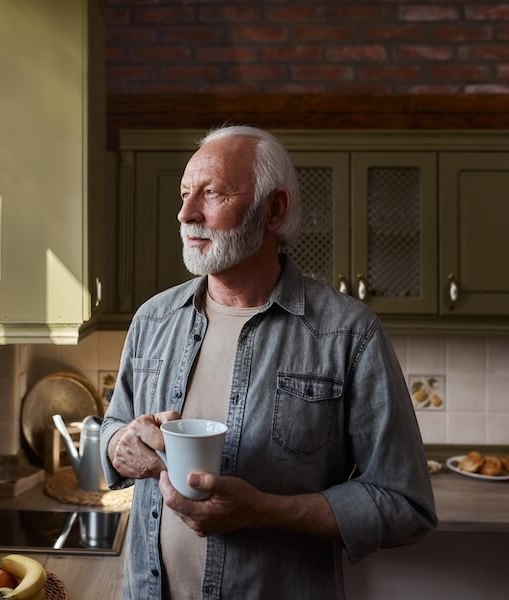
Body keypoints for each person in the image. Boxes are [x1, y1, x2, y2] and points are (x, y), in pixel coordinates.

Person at [99, 125, 437, 600]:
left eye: (212, 193)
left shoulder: (349, 334)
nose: (185, 213)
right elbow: (114, 425)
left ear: (273, 210)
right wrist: (120, 443)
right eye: (183, 193)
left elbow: (406, 505)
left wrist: (263, 510)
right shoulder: (153, 318)